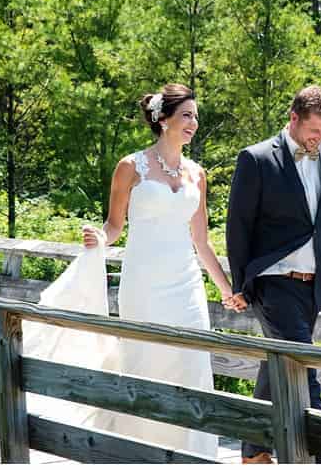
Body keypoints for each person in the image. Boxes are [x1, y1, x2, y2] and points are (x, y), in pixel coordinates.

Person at [79, 83, 243, 457]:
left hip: (185, 286)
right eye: (187, 115)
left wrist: (225, 288)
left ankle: (195, 458)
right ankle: (139, 455)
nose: (194, 123)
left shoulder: (197, 174)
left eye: (196, 116)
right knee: (145, 363)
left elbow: (202, 241)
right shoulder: (129, 167)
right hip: (143, 284)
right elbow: (114, 226)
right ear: (163, 119)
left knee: (192, 366)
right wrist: (98, 239)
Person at [226, 85, 321, 464]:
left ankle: (254, 452)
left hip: (313, 285)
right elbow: (239, 226)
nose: (320, 139)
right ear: (293, 119)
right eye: (314, 130)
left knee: (277, 363)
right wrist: (240, 284)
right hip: (271, 281)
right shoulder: (257, 158)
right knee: (301, 362)